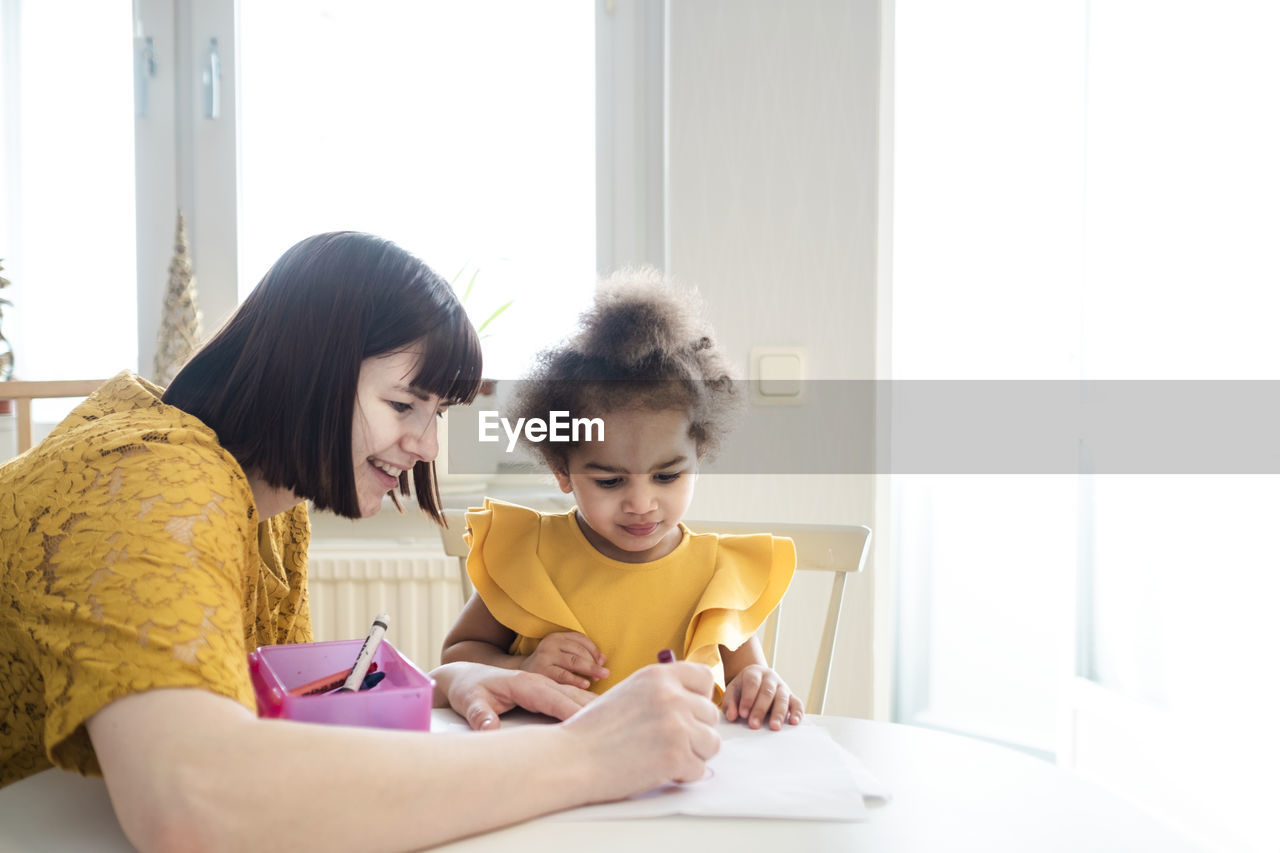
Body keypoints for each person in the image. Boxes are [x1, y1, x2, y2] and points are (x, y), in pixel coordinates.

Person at [0, 232, 720, 852]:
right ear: (303, 373)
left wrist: (446, 684)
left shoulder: (265, 504)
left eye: (436, 413)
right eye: (404, 404)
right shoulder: (153, 480)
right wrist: (583, 756)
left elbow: (247, 714)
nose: (427, 443)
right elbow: (195, 796)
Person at [441, 270, 804, 731]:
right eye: (611, 481)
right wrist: (523, 667)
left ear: (702, 453)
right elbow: (457, 656)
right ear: (562, 470)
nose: (641, 503)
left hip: (671, 778)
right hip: (552, 772)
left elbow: (750, 677)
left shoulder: (718, 574)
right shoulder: (529, 554)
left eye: (667, 475)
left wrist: (759, 686)